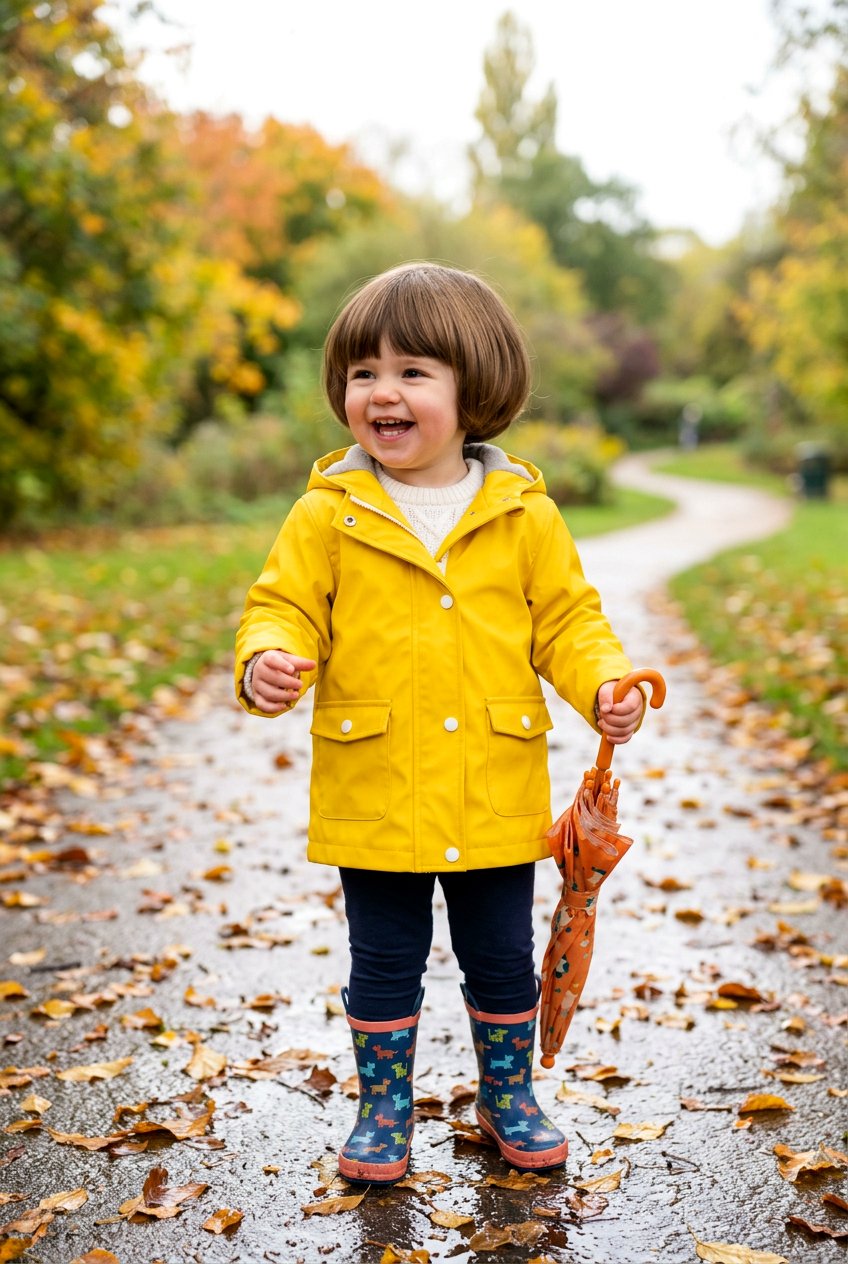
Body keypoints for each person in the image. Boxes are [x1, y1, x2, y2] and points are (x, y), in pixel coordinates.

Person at [235, 262, 644, 1185]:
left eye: (413, 371)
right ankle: (384, 1109)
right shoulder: (326, 514)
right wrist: (267, 658)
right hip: (375, 784)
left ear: (475, 389)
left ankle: (508, 1095)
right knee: (384, 960)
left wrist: (606, 683)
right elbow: (282, 606)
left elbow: (568, 621)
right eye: (363, 372)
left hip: (492, 788)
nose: (383, 391)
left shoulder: (524, 514)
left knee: (499, 959)